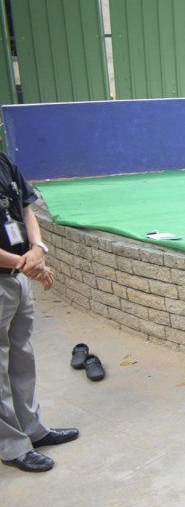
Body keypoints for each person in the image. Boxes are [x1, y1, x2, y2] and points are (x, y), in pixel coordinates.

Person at [0, 152, 79, 473]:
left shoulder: (3, 161)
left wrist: (37, 249)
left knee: (21, 355)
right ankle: (12, 445)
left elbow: (26, 207)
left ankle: (32, 428)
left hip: (19, 276)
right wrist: (24, 263)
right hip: (11, 272)